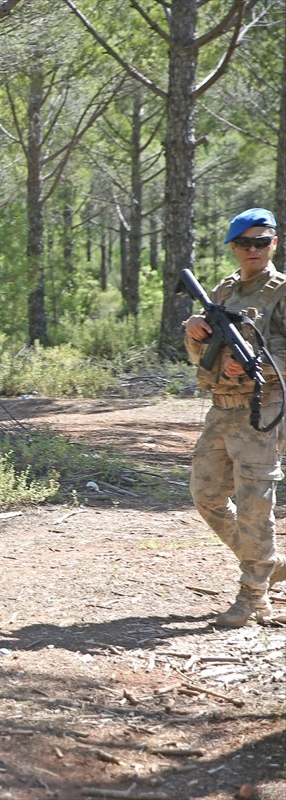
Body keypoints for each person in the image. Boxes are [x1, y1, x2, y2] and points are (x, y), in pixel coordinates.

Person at [184, 207, 286, 627]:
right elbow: (201, 356)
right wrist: (193, 331)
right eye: (245, 243)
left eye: (262, 242)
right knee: (206, 496)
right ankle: (267, 563)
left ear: (274, 244)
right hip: (220, 408)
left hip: (263, 408)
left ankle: (253, 598)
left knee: (253, 504)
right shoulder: (224, 291)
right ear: (232, 247)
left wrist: (255, 364)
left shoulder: (281, 291)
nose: (253, 250)